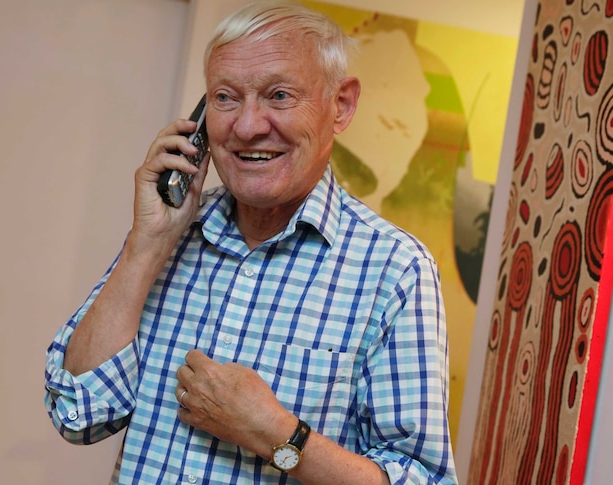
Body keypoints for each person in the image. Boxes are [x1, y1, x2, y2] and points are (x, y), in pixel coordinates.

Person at [44, 1, 457, 483]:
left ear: (340, 106)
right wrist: (146, 244)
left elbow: (422, 478)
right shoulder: (167, 233)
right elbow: (77, 413)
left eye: (279, 95)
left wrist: (275, 434)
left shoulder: (396, 268)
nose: (246, 126)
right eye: (225, 98)